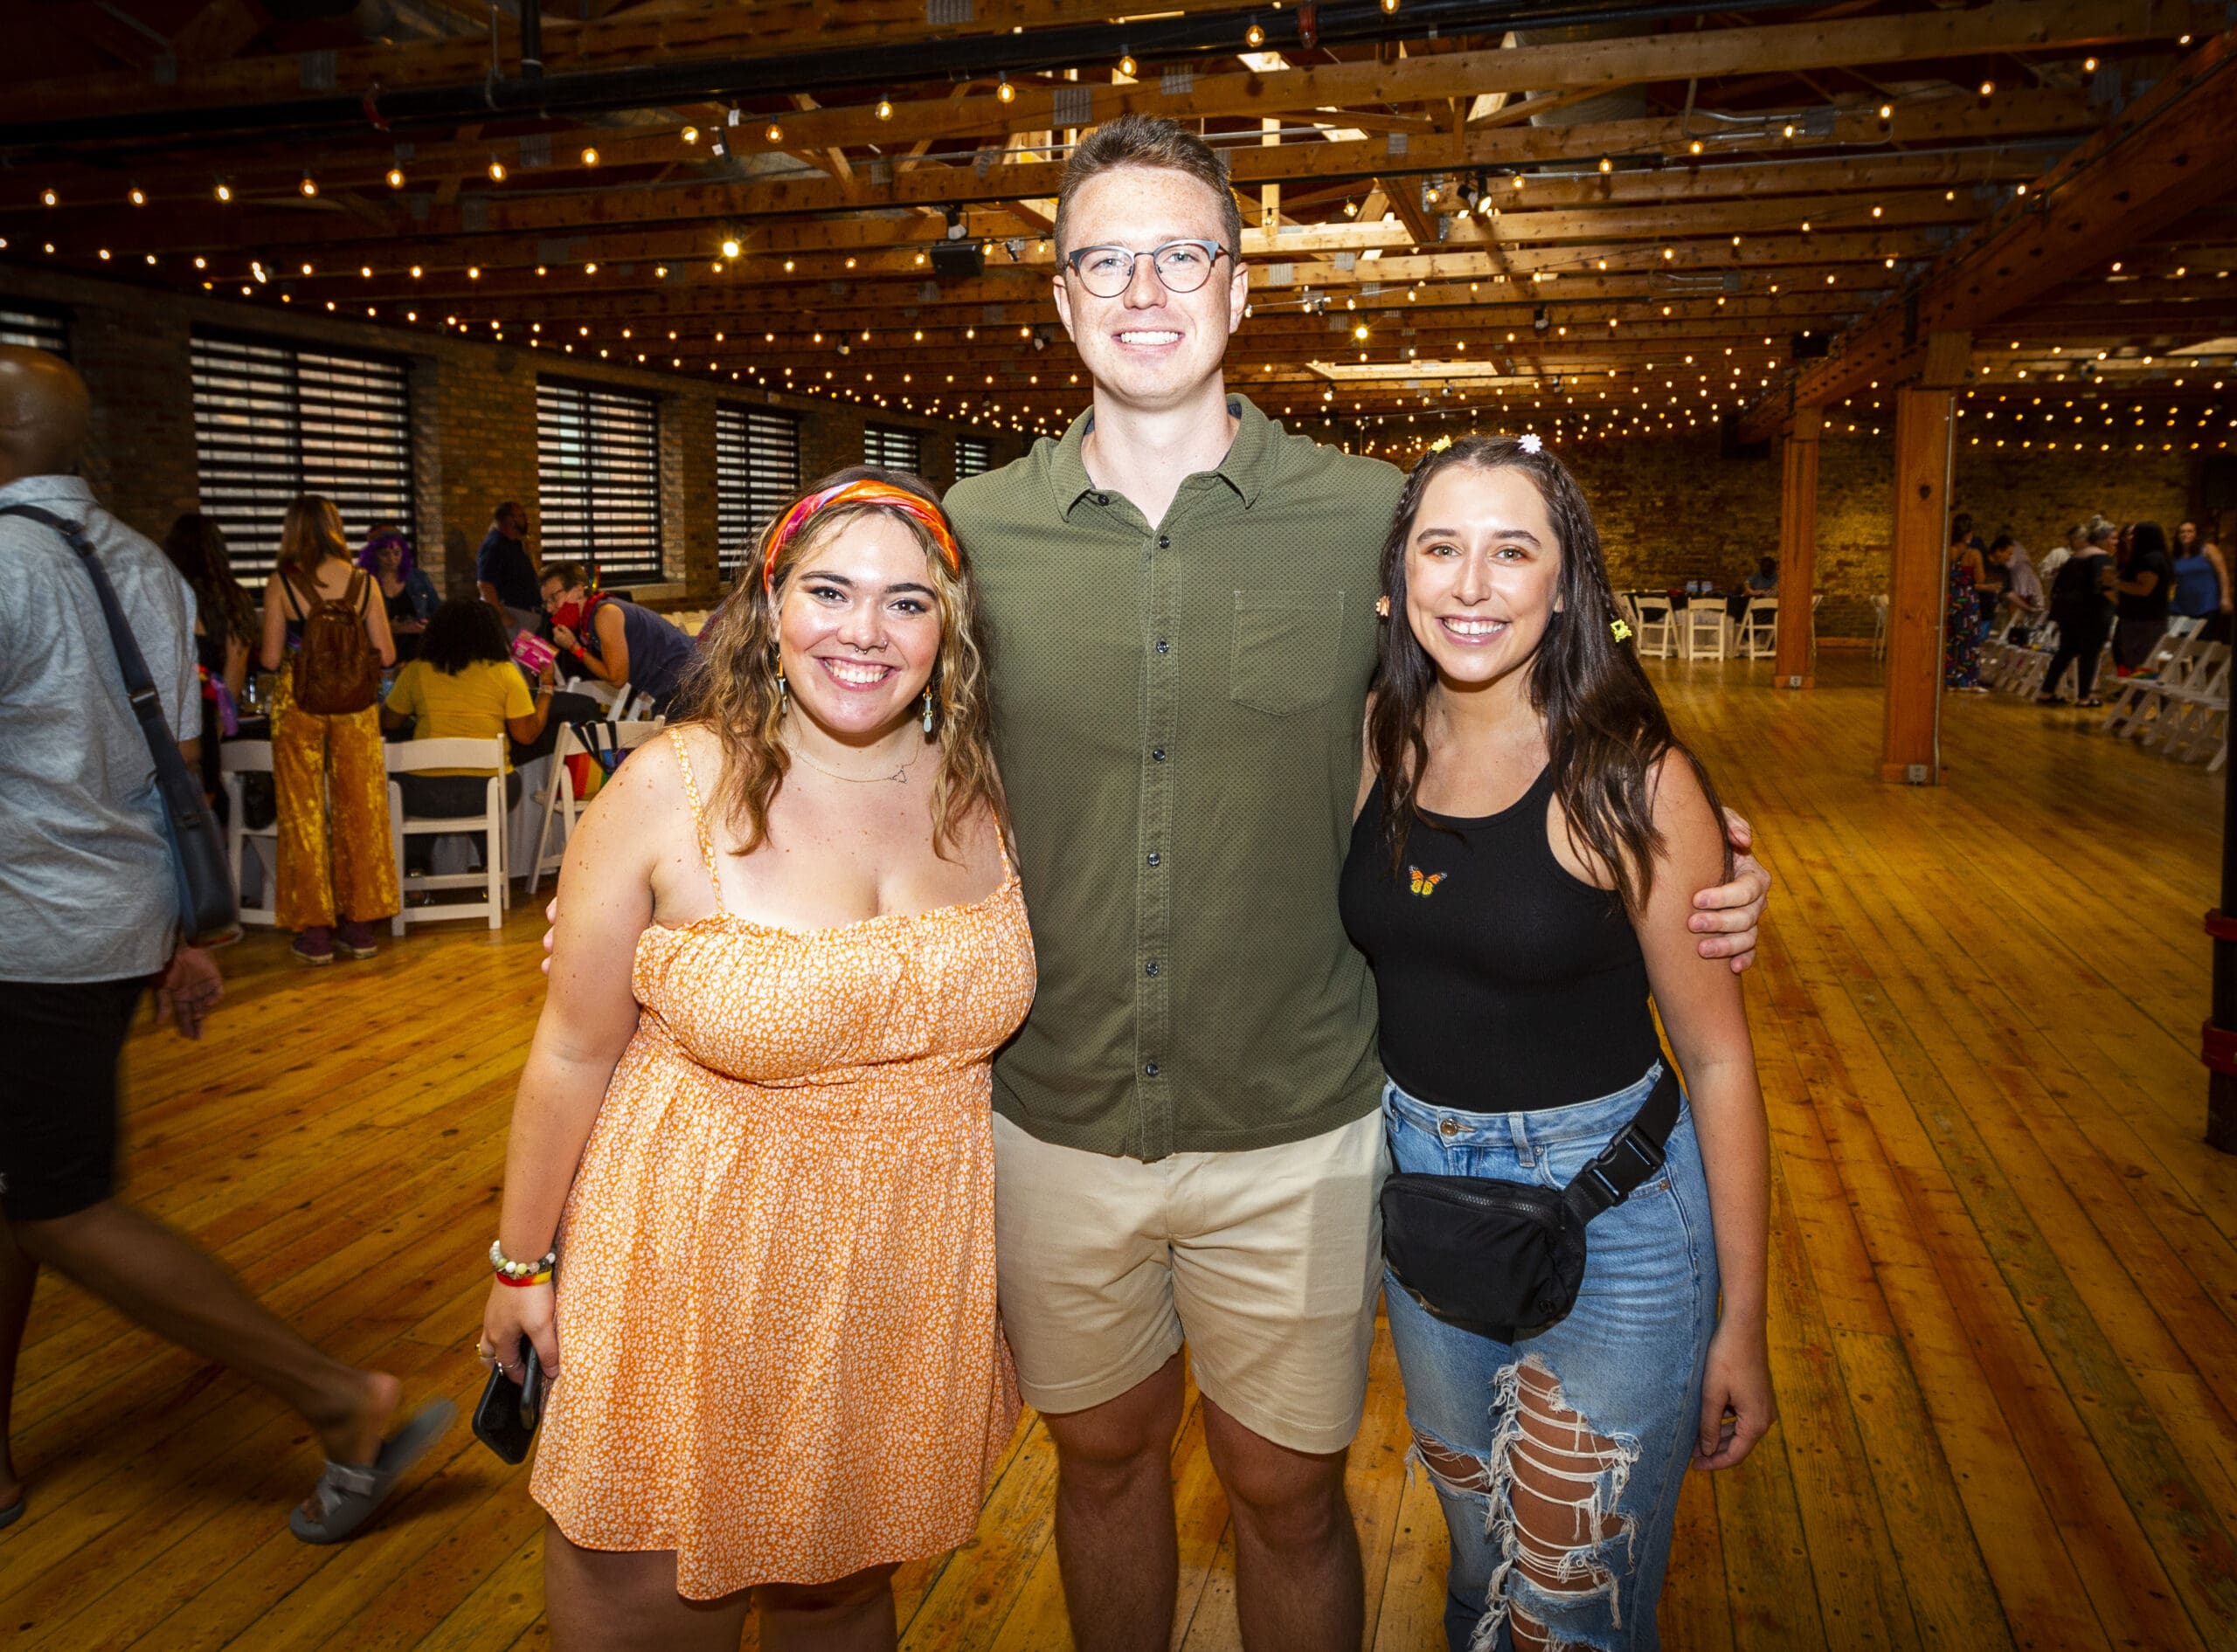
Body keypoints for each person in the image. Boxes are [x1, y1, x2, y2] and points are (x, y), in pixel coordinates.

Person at [938, 115, 1769, 1652]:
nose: (1144, 289)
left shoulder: (1364, 518)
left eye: (1181, 252)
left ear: (1239, 285)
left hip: (1302, 1120)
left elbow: (1524, 706)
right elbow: (867, 752)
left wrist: (1699, 847)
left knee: (1287, 1490)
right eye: (1105, 260)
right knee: (1100, 1460)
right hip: (1053, 1109)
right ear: (1059, 297)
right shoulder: (973, 535)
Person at [487, 472, 1031, 1649]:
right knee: (648, 1588)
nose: (863, 631)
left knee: (844, 1591)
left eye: (906, 601)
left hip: (901, 1276)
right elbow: (572, 1049)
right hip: (691, 1270)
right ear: (770, 603)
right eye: (829, 591)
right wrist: (521, 1264)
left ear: (948, 631)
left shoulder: (986, 787)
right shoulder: (672, 784)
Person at [0, 344, 450, 1546]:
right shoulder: (140, 564)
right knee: (21, 1187)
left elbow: (235, 703)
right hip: (108, 917)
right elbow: (178, 761)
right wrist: (178, 927)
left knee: (59, 1203)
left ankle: (339, 1399)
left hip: (28, 930)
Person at [1340, 434, 1772, 1651]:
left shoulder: (1629, 778)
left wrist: (1744, 1320)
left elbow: (1721, 1061)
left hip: (1612, 1213)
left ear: (1566, 582)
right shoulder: (1377, 737)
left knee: (1573, 1604)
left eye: (1511, 550)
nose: (1472, 584)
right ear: (1398, 580)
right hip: (1428, 1201)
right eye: (1442, 548)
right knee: (1479, 1563)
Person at [260, 494, 398, 964]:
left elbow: (271, 658)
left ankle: (315, 932)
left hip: (299, 701)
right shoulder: (364, 582)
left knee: (303, 812)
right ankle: (360, 928)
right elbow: (387, 653)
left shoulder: (282, 582)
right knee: (361, 809)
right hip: (356, 705)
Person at [381, 597, 558, 819]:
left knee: (402, 789)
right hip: (489, 790)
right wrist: (546, 686)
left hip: (424, 792)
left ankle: (421, 844)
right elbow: (526, 735)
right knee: (503, 788)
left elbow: (388, 722)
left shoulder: (416, 671)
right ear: (492, 633)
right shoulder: (505, 672)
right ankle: (487, 843)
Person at [161, 511, 258, 802]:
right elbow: (234, 674)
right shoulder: (232, 601)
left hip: (165, 715)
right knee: (202, 810)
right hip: (203, 718)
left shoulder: (164, 596)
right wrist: (218, 730)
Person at [538, 561, 695, 718]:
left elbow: (617, 678)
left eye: (553, 598)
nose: (550, 608)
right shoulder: (592, 616)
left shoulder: (605, 614)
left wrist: (574, 647)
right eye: (546, 603)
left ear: (578, 590)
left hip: (686, 681)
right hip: (672, 684)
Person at [2037, 518, 2118, 707]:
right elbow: (2104, 587)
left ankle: (2046, 692)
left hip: (2068, 613)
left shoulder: (2075, 557)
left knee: (2065, 652)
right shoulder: (2102, 559)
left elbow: (2059, 584)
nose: (2116, 542)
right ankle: (2084, 698)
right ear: (2102, 539)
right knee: (2090, 654)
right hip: (2092, 614)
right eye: (2113, 538)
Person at [359, 523, 440, 662]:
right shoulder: (365, 583)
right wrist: (389, 628)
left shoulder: (418, 578)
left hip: (418, 654)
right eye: (385, 554)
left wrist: (427, 625)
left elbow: (439, 613)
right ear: (373, 555)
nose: (392, 559)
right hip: (380, 656)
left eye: (397, 553)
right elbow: (357, 627)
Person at [2113, 520, 2175, 675]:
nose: (2132, 538)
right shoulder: (2158, 557)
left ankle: (2140, 690)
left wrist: (2115, 583)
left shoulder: (2150, 560)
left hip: (2143, 621)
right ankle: (2139, 688)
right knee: (2140, 663)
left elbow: (2143, 589)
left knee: (2141, 663)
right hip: (2145, 619)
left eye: (2135, 534)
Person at [476, 501, 542, 634]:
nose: (525, 520)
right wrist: (502, 615)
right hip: (513, 614)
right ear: (509, 519)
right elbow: (485, 584)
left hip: (526, 613)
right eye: (521, 516)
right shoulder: (494, 545)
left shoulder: (513, 543)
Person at [1943, 521, 1987, 692]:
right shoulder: (1973, 554)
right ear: (1968, 535)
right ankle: (1966, 680)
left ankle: (1946, 678)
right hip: (1967, 600)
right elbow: (1980, 579)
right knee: (1969, 641)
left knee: (1947, 640)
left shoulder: (1945, 551)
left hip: (1948, 597)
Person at [2172, 519, 2229, 644]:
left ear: (2196, 534)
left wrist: (2225, 597)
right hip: (2182, 604)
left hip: (2206, 603)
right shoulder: (2176, 555)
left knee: (2202, 642)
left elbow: (2222, 573)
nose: (2185, 534)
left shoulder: (2208, 549)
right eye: (2182, 532)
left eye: (2190, 531)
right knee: (2180, 642)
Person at [1988, 534, 2044, 647]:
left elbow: (2008, 593)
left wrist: (2028, 609)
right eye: (2008, 554)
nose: (2009, 557)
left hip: (1987, 614)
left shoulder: (2003, 570)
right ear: (1998, 551)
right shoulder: (1983, 562)